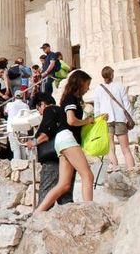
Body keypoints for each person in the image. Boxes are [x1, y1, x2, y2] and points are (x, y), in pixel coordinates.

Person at [35, 70, 105, 211]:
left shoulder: (69, 99)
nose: (88, 88)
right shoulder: (71, 99)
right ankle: (89, 210)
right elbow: (71, 120)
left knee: (64, 184)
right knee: (88, 175)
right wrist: (87, 121)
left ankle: (38, 212)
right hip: (68, 138)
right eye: (87, 84)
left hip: (62, 140)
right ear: (80, 83)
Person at [28, 93, 75, 206]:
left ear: (42, 104)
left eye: (38, 108)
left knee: (46, 190)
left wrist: (34, 142)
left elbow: (48, 131)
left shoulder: (49, 110)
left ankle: (38, 219)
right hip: (68, 156)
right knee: (65, 195)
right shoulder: (61, 112)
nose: (39, 112)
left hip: (52, 158)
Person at [93, 66, 136, 171]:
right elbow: (127, 104)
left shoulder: (98, 89)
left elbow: (97, 108)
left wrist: (97, 120)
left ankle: (114, 167)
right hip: (120, 119)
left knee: (110, 148)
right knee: (125, 148)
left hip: (105, 120)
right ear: (112, 74)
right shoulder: (120, 86)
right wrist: (130, 118)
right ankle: (132, 168)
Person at [5, 90, 32, 160]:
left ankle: (18, 166)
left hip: (12, 129)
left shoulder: (9, 104)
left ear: (14, 97)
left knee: (16, 149)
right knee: (23, 148)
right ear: (22, 97)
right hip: (23, 129)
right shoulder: (26, 106)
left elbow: (5, 112)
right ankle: (24, 165)